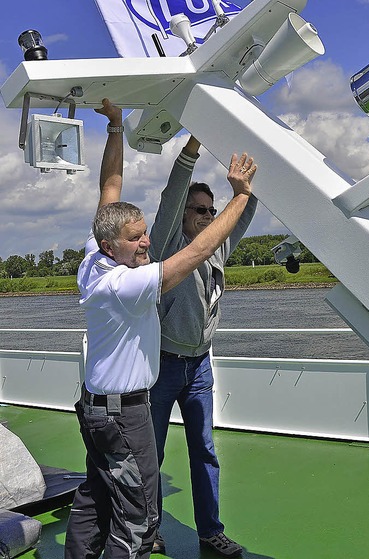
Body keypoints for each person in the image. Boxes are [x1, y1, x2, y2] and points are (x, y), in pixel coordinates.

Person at [64, 99, 256, 559]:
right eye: (137, 238)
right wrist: (242, 196)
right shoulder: (125, 283)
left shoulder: (96, 255)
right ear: (113, 246)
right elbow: (190, 255)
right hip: (124, 412)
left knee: (94, 497)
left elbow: (110, 186)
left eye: (145, 231)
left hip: (97, 406)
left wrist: (115, 129)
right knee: (139, 519)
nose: (147, 240)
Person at [148, 135, 258, 557]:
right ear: (183, 216)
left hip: (199, 369)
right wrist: (192, 146)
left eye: (212, 211)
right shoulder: (168, 247)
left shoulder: (218, 249)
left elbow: (245, 210)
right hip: (162, 367)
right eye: (199, 210)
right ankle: (150, 530)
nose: (208, 216)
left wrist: (246, 185)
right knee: (150, 458)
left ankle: (210, 532)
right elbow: (172, 196)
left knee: (205, 454)